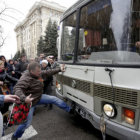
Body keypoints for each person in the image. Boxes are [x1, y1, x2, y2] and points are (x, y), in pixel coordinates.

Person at [11, 62, 73, 140]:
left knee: (54, 99)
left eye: (40, 71)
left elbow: (48, 72)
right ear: (31, 71)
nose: (40, 73)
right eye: (38, 72)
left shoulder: (38, 73)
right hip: (29, 102)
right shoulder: (25, 78)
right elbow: (17, 89)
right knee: (26, 124)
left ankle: (70, 110)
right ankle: (15, 136)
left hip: (39, 97)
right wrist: (24, 98)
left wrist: (60, 69)